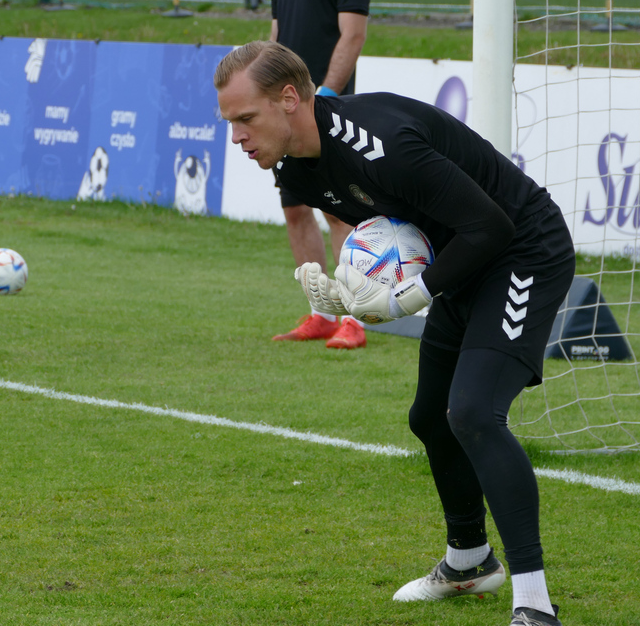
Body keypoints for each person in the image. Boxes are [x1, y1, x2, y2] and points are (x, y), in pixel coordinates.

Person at [214, 41, 576, 626]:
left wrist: (413, 293)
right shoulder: (290, 163)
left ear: (288, 100)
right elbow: (380, 227)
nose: (237, 138)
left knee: (475, 414)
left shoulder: (381, 145)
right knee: (430, 417)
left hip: (521, 251)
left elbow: (491, 223)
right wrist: (348, 289)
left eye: (245, 119)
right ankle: (469, 561)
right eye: (230, 123)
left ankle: (534, 603)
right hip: (457, 259)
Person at [267, 0, 371, 349]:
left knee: (339, 213)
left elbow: (352, 34)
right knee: (294, 210)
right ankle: (320, 314)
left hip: (328, 106)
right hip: (282, 111)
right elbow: (275, 39)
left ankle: (356, 319)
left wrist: (327, 93)